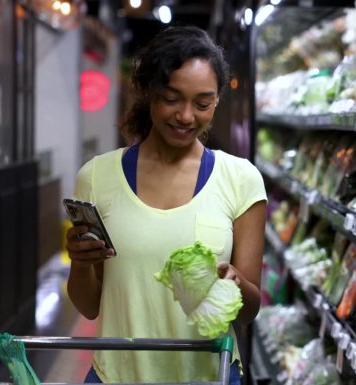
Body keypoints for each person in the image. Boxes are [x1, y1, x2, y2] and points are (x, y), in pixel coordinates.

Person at [65, 25, 267, 385]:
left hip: (208, 376)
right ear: (147, 93)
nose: (186, 116)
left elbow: (248, 312)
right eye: (172, 99)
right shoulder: (97, 177)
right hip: (117, 377)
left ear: (217, 100)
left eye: (202, 103)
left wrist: (236, 285)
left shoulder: (241, 180)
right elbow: (89, 305)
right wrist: (81, 265)